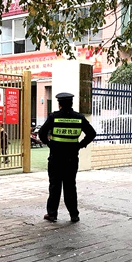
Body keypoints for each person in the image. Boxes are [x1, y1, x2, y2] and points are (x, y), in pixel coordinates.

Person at [39, 92, 96, 222]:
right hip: (71, 158)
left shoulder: (54, 117)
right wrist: (80, 145)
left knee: (55, 186)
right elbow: (92, 133)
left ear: (59, 104)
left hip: (56, 158)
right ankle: (74, 215)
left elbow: (42, 133)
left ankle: (52, 214)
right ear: (71, 103)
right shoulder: (79, 118)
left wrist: (49, 143)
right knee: (70, 186)